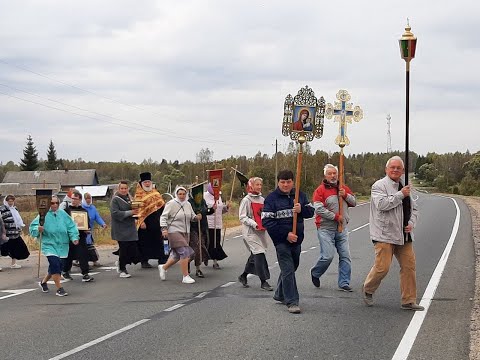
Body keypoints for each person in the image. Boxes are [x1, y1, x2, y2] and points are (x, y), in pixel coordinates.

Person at [362, 156, 424, 311]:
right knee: (382, 267)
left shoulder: (405, 187)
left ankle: (408, 300)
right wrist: (401, 194)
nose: (395, 170)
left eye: (399, 168)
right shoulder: (379, 186)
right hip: (384, 234)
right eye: (393, 167)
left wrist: (411, 224)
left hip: (404, 235)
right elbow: (382, 205)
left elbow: (414, 209)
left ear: (403, 171)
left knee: (409, 266)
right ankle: (368, 289)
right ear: (386, 169)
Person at [262, 170, 314, 314]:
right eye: (283, 182)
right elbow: (267, 221)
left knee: (293, 266)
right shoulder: (271, 199)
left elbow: (311, 212)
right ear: (278, 182)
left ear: (293, 182)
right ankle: (292, 301)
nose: (286, 185)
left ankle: (279, 293)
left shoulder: (299, 195)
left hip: (297, 240)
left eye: (289, 182)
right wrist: (286, 235)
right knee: (288, 269)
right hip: (281, 241)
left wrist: (301, 209)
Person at [310, 164, 356, 291]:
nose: (333, 176)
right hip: (325, 228)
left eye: (334, 173)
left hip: (342, 228)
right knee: (327, 256)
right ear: (325, 175)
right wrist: (335, 217)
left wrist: (345, 195)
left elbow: (354, 202)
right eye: (330, 173)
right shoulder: (320, 190)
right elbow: (318, 209)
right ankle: (316, 273)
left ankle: (344, 282)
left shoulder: (343, 188)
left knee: (345, 256)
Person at [30, 195, 79, 297]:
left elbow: (71, 226)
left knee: (57, 266)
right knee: (55, 264)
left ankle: (43, 282)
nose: (55, 205)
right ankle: (59, 288)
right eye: (52, 203)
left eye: (56, 203)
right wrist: (38, 229)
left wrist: (74, 237)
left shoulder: (63, 214)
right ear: (48, 204)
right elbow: (33, 227)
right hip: (49, 244)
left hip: (62, 245)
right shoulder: (42, 215)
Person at [158, 186, 201, 284]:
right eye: (179, 194)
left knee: (178, 255)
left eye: (183, 194)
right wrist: (164, 229)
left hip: (186, 232)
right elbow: (163, 217)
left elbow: (191, 216)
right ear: (176, 194)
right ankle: (185, 276)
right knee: (185, 252)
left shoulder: (188, 204)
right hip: (173, 231)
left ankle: (164, 267)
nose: (182, 196)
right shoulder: (171, 204)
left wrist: (197, 217)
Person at [238, 177, 273, 291]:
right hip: (250, 232)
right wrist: (254, 224)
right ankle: (264, 281)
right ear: (251, 186)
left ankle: (243, 275)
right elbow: (242, 217)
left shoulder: (262, 199)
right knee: (259, 253)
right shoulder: (246, 200)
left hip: (261, 232)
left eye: (260, 185)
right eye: (257, 185)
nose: (259, 187)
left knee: (255, 254)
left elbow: (265, 213)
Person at [133, 172, 166, 268]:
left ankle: (162, 259)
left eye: (148, 182)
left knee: (159, 240)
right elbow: (135, 210)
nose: (147, 184)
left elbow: (161, 205)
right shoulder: (138, 195)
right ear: (141, 183)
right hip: (145, 223)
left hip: (156, 221)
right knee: (144, 243)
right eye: (145, 182)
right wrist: (141, 221)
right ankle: (144, 261)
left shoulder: (155, 192)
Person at [110, 181, 141, 278]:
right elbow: (115, 214)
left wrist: (137, 214)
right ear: (118, 189)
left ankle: (120, 262)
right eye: (122, 188)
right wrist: (130, 212)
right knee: (123, 248)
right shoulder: (115, 200)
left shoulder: (130, 199)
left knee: (131, 248)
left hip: (130, 228)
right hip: (120, 228)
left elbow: (134, 212)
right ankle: (123, 269)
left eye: (125, 188)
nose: (124, 190)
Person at [62, 191, 94, 282]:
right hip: (69, 237)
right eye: (72, 198)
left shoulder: (84, 211)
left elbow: (87, 224)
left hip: (81, 237)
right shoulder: (66, 211)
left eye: (75, 199)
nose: (73, 200)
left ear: (79, 200)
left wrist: (87, 230)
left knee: (83, 255)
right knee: (69, 256)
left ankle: (85, 274)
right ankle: (65, 271)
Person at [188, 187, 214, 278]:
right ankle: (195, 267)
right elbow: (189, 214)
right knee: (197, 247)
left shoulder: (202, 201)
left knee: (202, 246)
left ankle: (197, 265)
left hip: (202, 227)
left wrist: (212, 209)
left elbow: (206, 211)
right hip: (192, 228)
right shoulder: (189, 202)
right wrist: (195, 215)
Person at [0, 194, 30, 268]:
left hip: (15, 233)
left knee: (15, 248)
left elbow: (18, 220)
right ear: (6, 201)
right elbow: (1, 221)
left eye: (12, 201)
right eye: (9, 201)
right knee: (2, 249)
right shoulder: (2, 209)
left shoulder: (15, 209)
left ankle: (13, 264)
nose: (11, 203)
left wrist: (19, 228)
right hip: (6, 234)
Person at [204, 183, 229, 269]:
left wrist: (226, 208)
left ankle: (213, 259)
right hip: (208, 223)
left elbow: (220, 210)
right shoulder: (205, 196)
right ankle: (209, 258)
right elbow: (203, 210)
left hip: (218, 223)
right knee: (210, 243)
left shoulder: (219, 196)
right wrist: (211, 209)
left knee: (216, 242)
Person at [82, 192, 106, 267]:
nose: (88, 200)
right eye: (86, 198)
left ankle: (94, 261)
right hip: (82, 231)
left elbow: (97, 217)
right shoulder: (81, 207)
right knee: (83, 247)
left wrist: (103, 224)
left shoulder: (93, 208)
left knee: (90, 246)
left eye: (89, 198)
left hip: (89, 230)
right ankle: (80, 261)